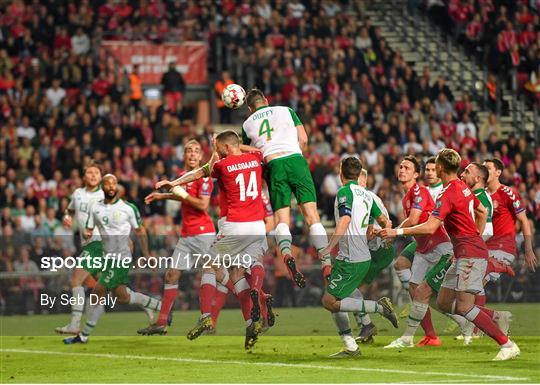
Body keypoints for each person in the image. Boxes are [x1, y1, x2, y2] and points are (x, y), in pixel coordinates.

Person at [379, 149, 520, 361]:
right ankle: (495, 317)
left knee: (464, 306)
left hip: (469, 254)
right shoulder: (463, 187)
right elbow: (481, 211)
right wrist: (474, 236)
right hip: (462, 252)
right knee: (444, 302)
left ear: (441, 168)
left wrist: (396, 232)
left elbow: (430, 227)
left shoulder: (447, 193)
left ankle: (507, 344)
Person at [156, 131, 269, 349]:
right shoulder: (255, 159)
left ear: (225, 148)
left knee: (209, 265)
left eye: (217, 148)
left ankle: (206, 316)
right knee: (237, 273)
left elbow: (199, 173)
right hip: (257, 227)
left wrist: (174, 182)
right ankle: (251, 322)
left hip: (236, 226)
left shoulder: (223, 165)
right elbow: (256, 150)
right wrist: (237, 144)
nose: (215, 151)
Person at [240, 88, 330, 288]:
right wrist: (298, 154)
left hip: (274, 164)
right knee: (312, 216)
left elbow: (247, 152)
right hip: (296, 160)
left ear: (249, 108)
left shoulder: (247, 124)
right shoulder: (286, 110)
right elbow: (304, 139)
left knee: (282, 219)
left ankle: (287, 252)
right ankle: (326, 260)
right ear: (266, 99)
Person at [64, 174, 161, 344]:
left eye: (113, 183)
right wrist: (84, 231)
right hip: (105, 256)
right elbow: (87, 226)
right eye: (107, 183)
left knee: (93, 292)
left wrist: (146, 254)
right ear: (102, 187)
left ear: (117, 187)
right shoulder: (93, 205)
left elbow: (140, 230)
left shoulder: (127, 208)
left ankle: (82, 333)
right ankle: (159, 306)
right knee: (122, 296)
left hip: (119, 258)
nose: (110, 186)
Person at [319, 156, 398, 358]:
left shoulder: (344, 192)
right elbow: (384, 220)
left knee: (329, 301)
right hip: (360, 255)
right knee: (345, 294)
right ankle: (350, 344)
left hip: (351, 257)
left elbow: (345, 218)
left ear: (341, 172)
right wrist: (380, 232)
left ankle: (379, 308)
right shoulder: (368, 195)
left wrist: (330, 246)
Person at [137, 140, 215, 336]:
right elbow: (181, 195)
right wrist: (160, 196)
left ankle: (212, 316)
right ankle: (162, 322)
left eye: (197, 151)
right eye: (189, 150)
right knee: (172, 274)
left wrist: (180, 192)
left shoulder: (204, 177)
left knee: (219, 275)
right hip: (187, 234)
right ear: (184, 155)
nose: (192, 154)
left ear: (201, 156)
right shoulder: (182, 177)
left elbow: (203, 205)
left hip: (203, 233)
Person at [384, 156, 456, 348]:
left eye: (407, 167)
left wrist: (395, 232)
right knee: (416, 291)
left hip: (440, 248)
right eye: (400, 166)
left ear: (416, 174)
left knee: (446, 299)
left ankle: (488, 320)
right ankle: (430, 337)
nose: (402, 170)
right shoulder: (406, 197)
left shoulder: (420, 191)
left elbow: (414, 219)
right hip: (424, 251)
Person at [55, 161, 105, 335]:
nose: (92, 175)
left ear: (100, 177)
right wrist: (67, 217)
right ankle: (151, 305)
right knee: (119, 291)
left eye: (96, 173)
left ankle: (75, 324)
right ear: (84, 177)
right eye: (89, 172)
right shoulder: (77, 193)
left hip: (99, 243)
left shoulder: (104, 195)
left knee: (76, 280)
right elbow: (69, 211)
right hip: (90, 244)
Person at [353, 169, 396, 344]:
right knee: (353, 290)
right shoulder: (360, 198)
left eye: (354, 181)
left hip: (379, 251)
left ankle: (375, 313)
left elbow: (387, 224)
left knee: (350, 290)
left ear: (364, 182)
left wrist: (374, 232)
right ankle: (366, 325)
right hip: (372, 251)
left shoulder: (369, 198)